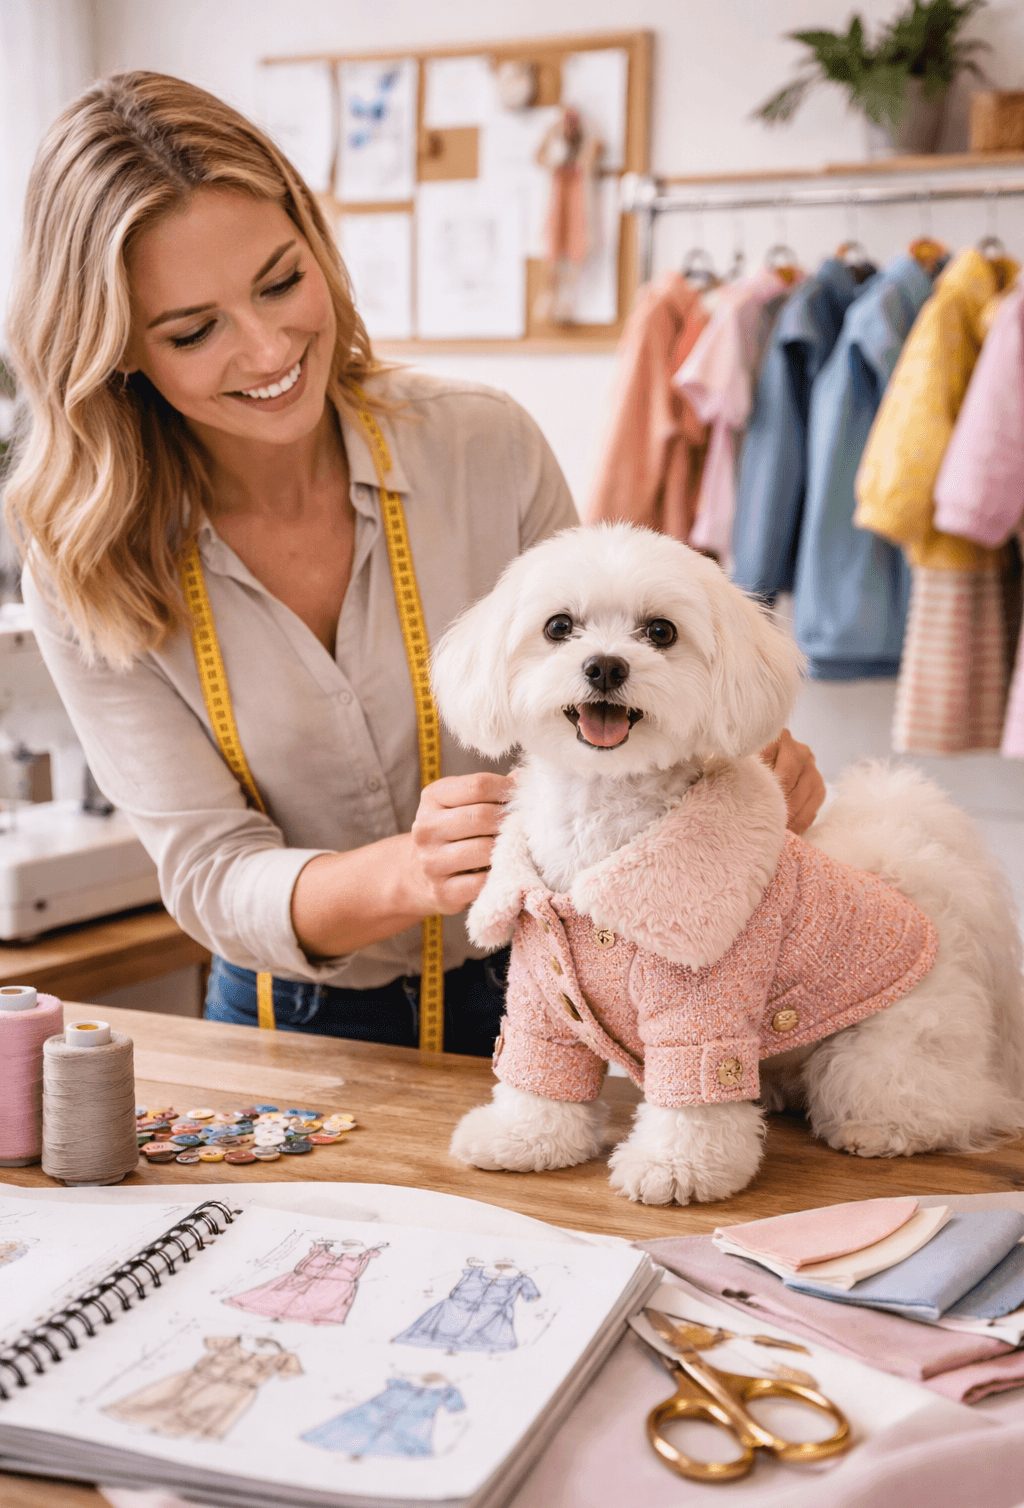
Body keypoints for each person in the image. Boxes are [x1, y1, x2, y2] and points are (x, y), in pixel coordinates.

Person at [5, 72, 825, 1053]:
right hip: (290, 1022)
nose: (269, 348)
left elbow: (598, 703)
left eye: (281, 281)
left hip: (547, 980)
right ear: (115, 351)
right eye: (193, 330)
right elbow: (211, 874)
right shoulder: (83, 562)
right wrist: (402, 875)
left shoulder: (482, 445)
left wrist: (731, 763)